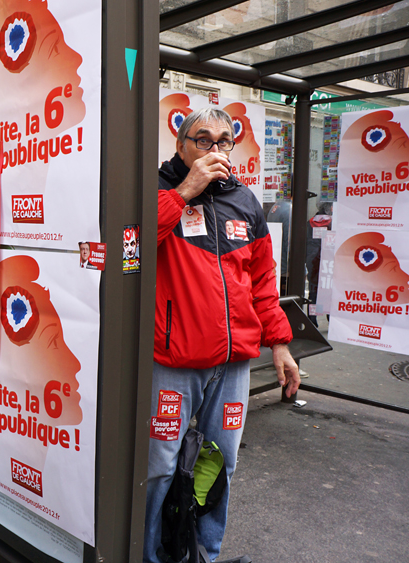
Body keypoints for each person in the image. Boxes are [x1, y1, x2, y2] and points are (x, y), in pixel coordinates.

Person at [147, 106, 298, 563]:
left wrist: (280, 345)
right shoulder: (157, 188)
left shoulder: (245, 201)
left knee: (221, 464)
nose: (215, 150)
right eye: (202, 139)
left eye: (224, 141)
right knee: (160, 467)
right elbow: (129, 242)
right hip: (173, 362)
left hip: (233, 363)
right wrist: (185, 190)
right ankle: (152, 555)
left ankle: (205, 554)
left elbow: (263, 284)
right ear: (181, 144)